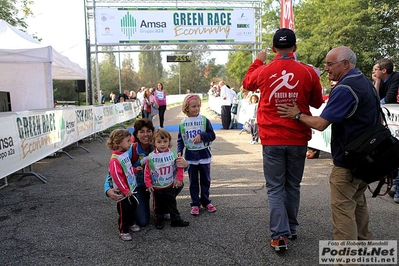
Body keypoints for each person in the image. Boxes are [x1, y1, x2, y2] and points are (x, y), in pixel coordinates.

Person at [277, 46, 378, 247]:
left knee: (342, 213)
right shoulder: (365, 82)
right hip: (367, 159)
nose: (326, 68)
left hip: (349, 163)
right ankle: (366, 249)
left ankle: (346, 259)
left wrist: (297, 115)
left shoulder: (345, 88)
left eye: (330, 64)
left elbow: (321, 123)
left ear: (346, 64)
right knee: (358, 205)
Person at [242, 28, 324, 252]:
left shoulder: (264, 69)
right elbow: (317, 103)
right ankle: (292, 228)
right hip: (298, 137)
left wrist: (258, 61)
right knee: (292, 185)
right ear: (295, 48)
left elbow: (247, 83)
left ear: (273, 49)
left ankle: (279, 235)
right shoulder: (307, 72)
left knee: (275, 187)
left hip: (272, 139)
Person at [104, 118, 188, 227]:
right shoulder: (131, 149)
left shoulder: (160, 144)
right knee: (142, 221)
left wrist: (186, 164)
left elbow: (177, 164)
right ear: (136, 134)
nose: (146, 135)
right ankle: (137, 212)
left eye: (148, 131)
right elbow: (114, 170)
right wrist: (107, 190)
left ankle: (163, 209)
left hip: (159, 184)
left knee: (177, 185)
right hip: (139, 187)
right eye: (141, 132)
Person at [177, 94, 217, 216]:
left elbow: (212, 135)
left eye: (198, 106)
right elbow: (180, 139)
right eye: (193, 106)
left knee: (205, 180)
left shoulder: (204, 120)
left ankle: (206, 201)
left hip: (204, 155)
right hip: (191, 157)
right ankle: (195, 203)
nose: (196, 109)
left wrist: (202, 136)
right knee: (193, 181)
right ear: (187, 107)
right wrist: (180, 151)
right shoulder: (183, 123)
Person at [144, 128, 190, 229]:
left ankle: (175, 219)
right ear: (154, 143)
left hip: (169, 184)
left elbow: (180, 167)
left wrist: (179, 179)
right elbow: (147, 171)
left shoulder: (173, 154)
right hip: (157, 187)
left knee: (172, 203)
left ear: (169, 141)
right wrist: (148, 184)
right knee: (158, 204)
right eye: (159, 142)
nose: (162, 144)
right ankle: (159, 220)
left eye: (165, 141)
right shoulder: (151, 157)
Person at [106, 129, 141, 241]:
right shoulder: (115, 160)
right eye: (127, 141)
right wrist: (125, 190)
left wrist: (135, 170)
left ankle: (131, 223)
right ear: (118, 142)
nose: (130, 143)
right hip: (123, 192)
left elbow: (127, 168)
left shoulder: (124, 154)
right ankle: (123, 230)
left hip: (130, 188)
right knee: (124, 210)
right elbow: (117, 177)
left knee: (133, 206)